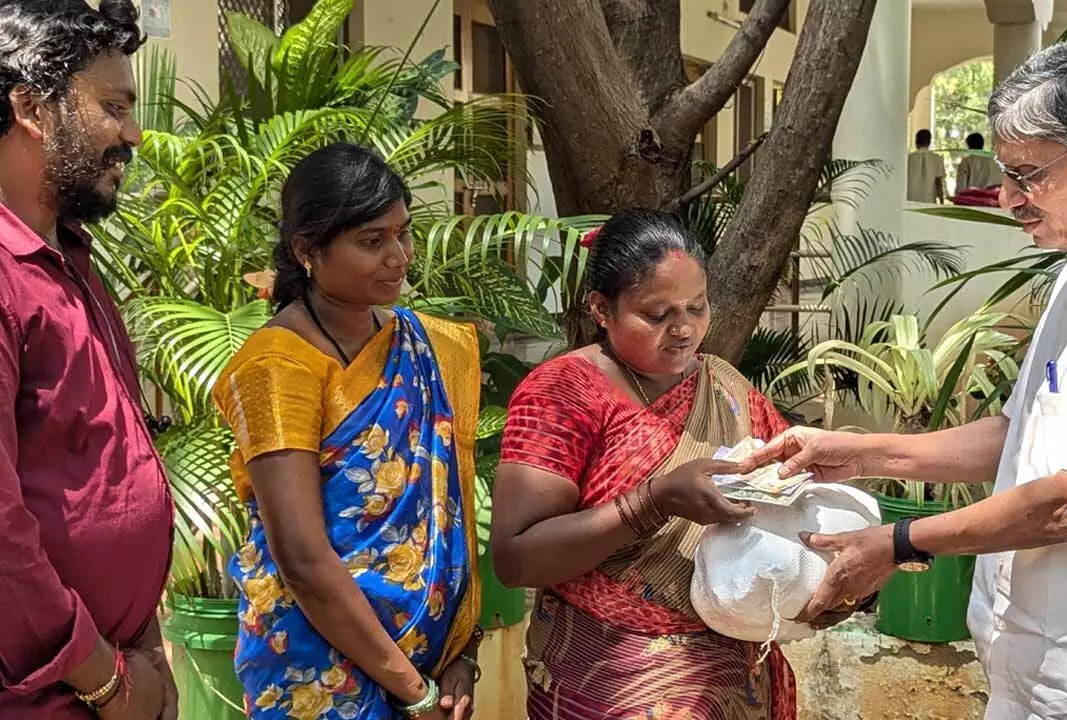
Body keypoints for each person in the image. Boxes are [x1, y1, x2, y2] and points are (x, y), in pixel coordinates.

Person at [745, 37, 1067, 719]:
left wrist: (898, 543)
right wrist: (857, 453)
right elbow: (1020, 432)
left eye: (1028, 174)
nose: (1009, 198)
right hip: (1025, 661)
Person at [492, 210, 856, 719]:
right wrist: (653, 500)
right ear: (601, 308)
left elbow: (789, 497)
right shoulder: (564, 392)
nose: (684, 329)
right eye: (657, 313)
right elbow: (516, 560)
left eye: (697, 307)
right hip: (608, 679)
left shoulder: (725, 387)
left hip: (731, 675)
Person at [212, 144, 484, 720]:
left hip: (432, 670)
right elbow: (303, 560)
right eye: (371, 241)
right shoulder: (277, 368)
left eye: (403, 233)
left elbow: (447, 510)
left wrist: (463, 652)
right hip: (316, 674)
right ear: (307, 249)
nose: (399, 257)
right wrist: (415, 693)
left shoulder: (429, 346)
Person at [0, 1, 176, 718]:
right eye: (113, 106)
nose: (132, 133)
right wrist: (107, 681)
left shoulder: (71, 260)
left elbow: (116, 471)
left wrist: (149, 650)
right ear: (31, 108)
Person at [906, 128, 946, 203]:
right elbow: (938, 182)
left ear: (916, 141)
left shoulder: (908, 159)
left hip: (910, 199)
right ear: (929, 142)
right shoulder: (937, 158)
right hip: (929, 200)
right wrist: (941, 201)